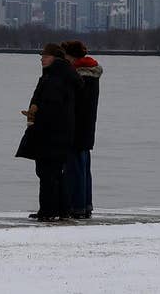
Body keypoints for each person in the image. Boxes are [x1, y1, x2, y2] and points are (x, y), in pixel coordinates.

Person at [15, 43, 83, 222]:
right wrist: (34, 107)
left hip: (52, 133)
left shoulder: (56, 77)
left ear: (56, 57)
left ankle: (48, 210)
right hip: (59, 132)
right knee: (54, 172)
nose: (41, 58)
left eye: (45, 56)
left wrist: (36, 117)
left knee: (47, 172)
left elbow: (51, 106)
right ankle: (61, 209)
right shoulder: (54, 75)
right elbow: (40, 98)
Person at [61, 40, 102, 219]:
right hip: (87, 128)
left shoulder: (78, 76)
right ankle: (85, 204)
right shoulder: (91, 74)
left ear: (71, 56)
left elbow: (73, 104)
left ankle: (76, 206)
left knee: (74, 169)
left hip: (75, 127)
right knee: (84, 168)